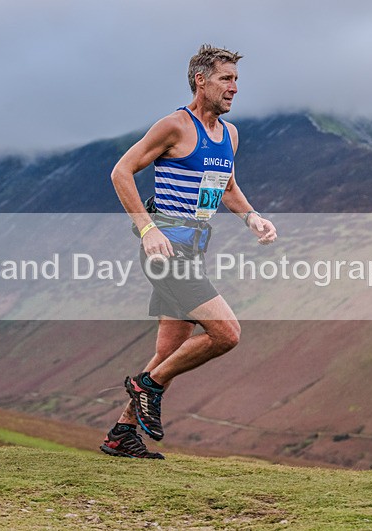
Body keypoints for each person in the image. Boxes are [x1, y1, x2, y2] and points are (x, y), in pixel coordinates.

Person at [100, 44, 277, 459]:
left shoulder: (229, 134)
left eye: (236, 80)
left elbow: (226, 187)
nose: (235, 87)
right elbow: (120, 171)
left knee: (168, 352)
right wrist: (145, 229)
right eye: (226, 79)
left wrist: (252, 218)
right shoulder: (175, 126)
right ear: (201, 80)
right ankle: (148, 386)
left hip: (194, 250)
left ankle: (121, 434)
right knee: (226, 333)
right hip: (165, 250)